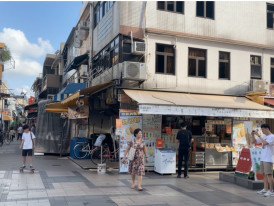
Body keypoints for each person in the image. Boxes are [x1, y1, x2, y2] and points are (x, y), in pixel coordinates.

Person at [252, 124, 274, 197]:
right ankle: (265, 189)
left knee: (269, 174)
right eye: (261, 130)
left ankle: (271, 191)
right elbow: (254, 141)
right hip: (263, 158)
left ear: (267, 129)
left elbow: (265, 143)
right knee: (264, 174)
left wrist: (258, 135)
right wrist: (253, 135)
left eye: (263, 129)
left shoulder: (272, 137)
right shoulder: (264, 136)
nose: (262, 131)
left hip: (268, 158)